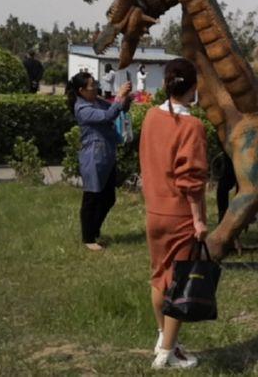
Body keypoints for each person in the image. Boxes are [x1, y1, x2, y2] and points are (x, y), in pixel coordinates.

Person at [139, 58, 208, 370]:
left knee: (159, 277)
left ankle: (163, 338)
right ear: (193, 88)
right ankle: (167, 353)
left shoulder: (151, 116)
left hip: (154, 210)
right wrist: (199, 220)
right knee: (179, 283)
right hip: (179, 214)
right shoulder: (192, 126)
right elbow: (190, 179)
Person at [65, 72, 131, 251]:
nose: (95, 88)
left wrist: (126, 98)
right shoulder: (82, 108)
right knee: (92, 198)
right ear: (81, 90)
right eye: (91, 85)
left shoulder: (97, 101)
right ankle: (88, 237)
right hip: (93, 156)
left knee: (108, 198)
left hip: (106, 154)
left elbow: (117, 109)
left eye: (95, 84)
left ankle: (95, 231)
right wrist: (119, 95)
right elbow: (107, 116)